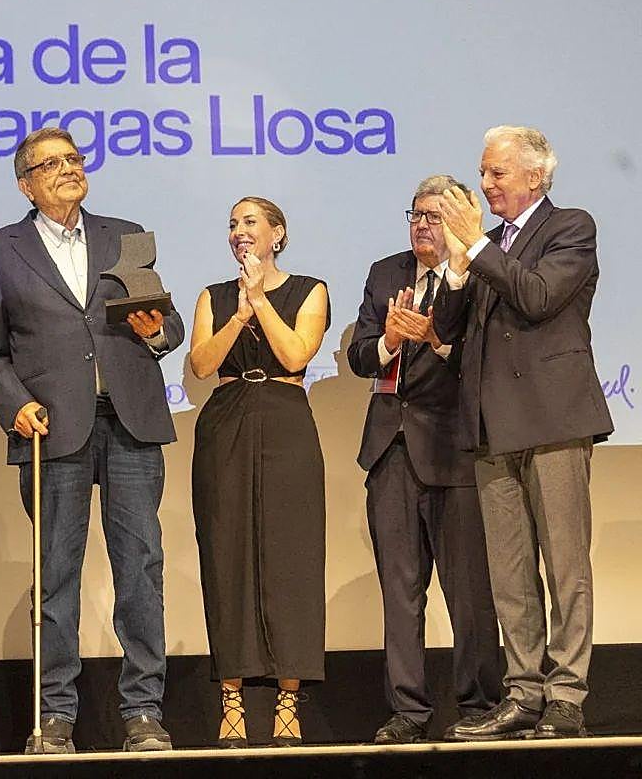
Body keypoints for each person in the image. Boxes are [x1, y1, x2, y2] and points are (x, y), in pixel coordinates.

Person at [0, 127, 184, 754]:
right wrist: (16, 406)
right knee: (57, 576)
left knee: (140, 570)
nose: (68, 170)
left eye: (73, 159)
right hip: (54, 430)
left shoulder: (126, 234)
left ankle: (143, 711)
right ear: (26, 184)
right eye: (51, 164)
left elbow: (165, 324)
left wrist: (156, 331)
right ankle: (55, 716)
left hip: (131, 422)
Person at [433, 126, 614, 740]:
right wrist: (458, 269)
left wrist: (478, 245)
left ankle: (566, 695)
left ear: (534, 176)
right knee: (509, 572)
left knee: (566, 566)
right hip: (492, 424)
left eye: (496, 174)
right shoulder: (486, 247)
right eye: (482, 173)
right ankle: (523, 693)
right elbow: (453, 328)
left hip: (555, 418)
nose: (484, 185)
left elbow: (536, 297)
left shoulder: (571, 228)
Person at [347, 175, 501, 744]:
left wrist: (437, 340)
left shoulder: (480, 275)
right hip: (390, 449)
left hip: (455, 450)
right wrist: (389, 339)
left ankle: (480, 703)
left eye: (433, 216)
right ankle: (409, 712)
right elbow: (362, 356)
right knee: (400, 590)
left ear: (458, 220)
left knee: (469, 591)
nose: (420, 225)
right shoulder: (385, 273)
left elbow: (485, 360)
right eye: (414, 214)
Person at [187, 196, 329, 747]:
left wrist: (261, 302)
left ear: (278, 234)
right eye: (231, 224)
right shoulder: (213, 297)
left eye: (249, 222)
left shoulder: (309, 289)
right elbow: (200, 365)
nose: (238, 232)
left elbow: (295, 356)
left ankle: (289, 702)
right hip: (226, 421)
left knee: (291, 559)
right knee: (228, 557)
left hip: (286, 420)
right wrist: (239, 313)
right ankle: (231, 701)